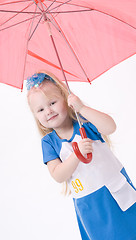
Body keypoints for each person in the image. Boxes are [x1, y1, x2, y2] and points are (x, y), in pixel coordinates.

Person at [26, 71, 136, 240]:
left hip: (116, 192)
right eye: (40, 109)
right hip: (90, 205)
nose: (48, 111)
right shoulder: (49, 142)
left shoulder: (83, 121)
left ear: (65, 98)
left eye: (52, 102)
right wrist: (76, 154)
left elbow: (110, 127)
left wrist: (82, 108)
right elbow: (58, 175)